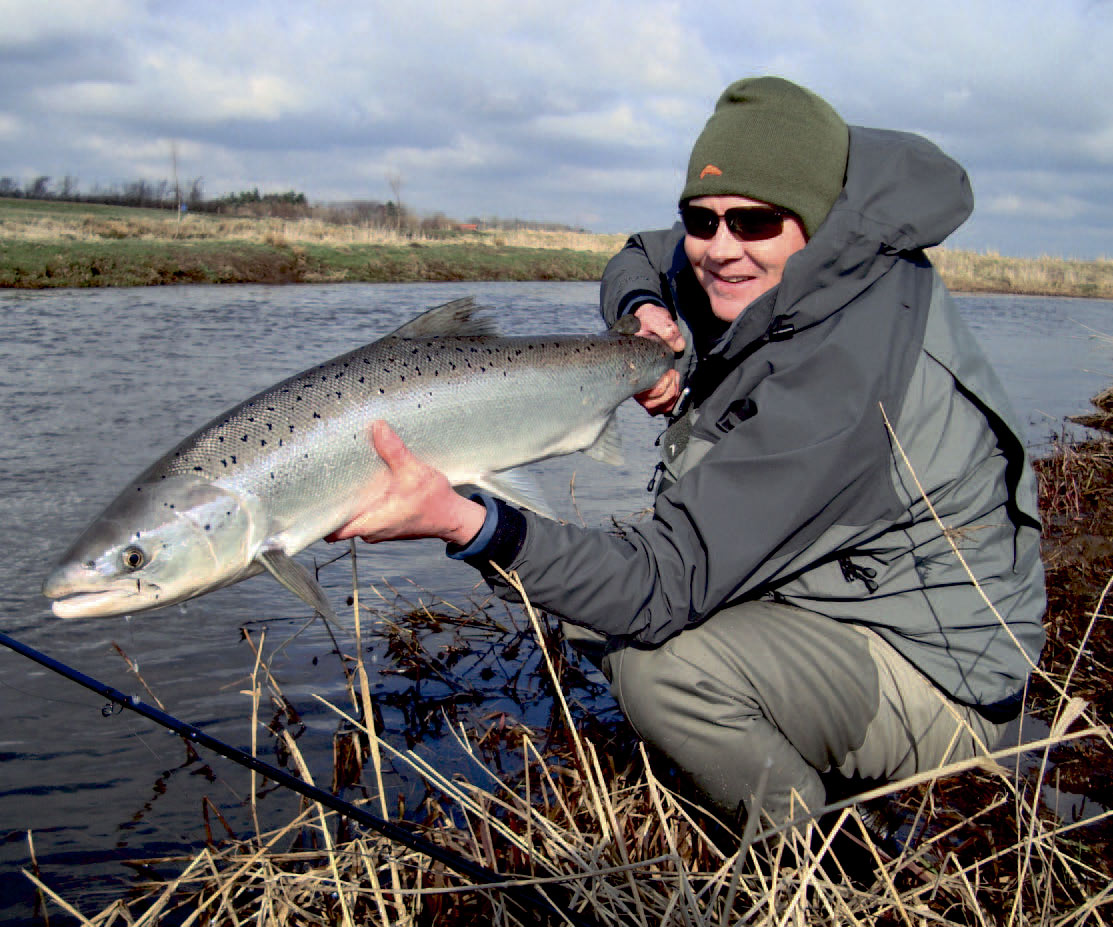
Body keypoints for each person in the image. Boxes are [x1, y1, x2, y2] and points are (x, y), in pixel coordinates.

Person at [330, 77, 1046, 829]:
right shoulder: (801, 256)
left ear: (815, 218)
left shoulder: (848, 374)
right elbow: (641, 254)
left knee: (657, 667)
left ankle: (812, 857)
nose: (719, 249)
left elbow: (659, 585)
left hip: (941, 674)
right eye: (700, 220)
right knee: (581, 594)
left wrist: (468, 523)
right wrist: (645, 311)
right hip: (827, 595)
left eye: (753, 222)